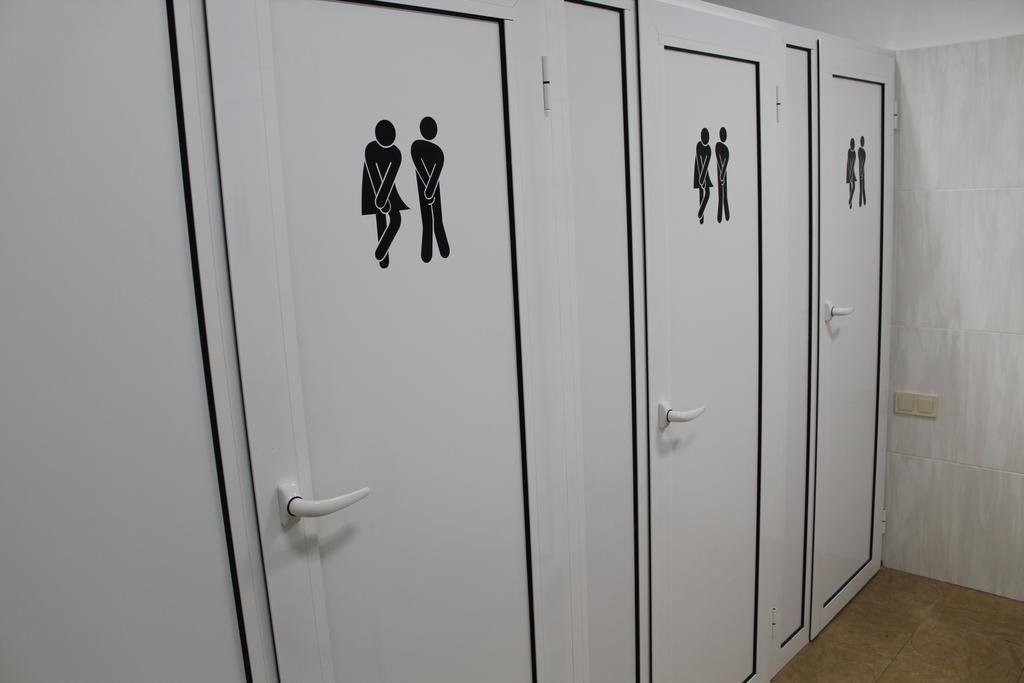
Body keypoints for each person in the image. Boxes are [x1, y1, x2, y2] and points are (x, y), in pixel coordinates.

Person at [362, 119, 408, 268]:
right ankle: (383, 258)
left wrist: (384, 198)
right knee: (380, 218)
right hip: (373, 185)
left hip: (388, 187)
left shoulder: (396, 153)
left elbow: (391, 176)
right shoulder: (370, 149)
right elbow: (373, 174)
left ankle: (381, 252)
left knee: (396, 218)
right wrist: (380, 200)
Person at [411, 116, 450, 263]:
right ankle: (434, 253)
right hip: (429, 188)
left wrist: (429, 190)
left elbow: (429, 170)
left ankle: (437, 252)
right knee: (432, 221)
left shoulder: (418, 147)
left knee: (432, 220)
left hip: (428, 188)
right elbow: (422, 168)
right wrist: (430, 190)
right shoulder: (434, 151)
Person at [693, 128, 713, 224]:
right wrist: (700, 178)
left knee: (707, 192)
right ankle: (701, 219)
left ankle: (700, 212)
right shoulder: (698, 145)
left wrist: (703, 178)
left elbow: (706, 163)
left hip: (705, 172)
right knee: (700, 192)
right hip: (698, 170)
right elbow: (699, 160)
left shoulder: (709, 149)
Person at [715, 127, 730, 223]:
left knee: (723, 194)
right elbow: (721, 160)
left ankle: (724, 216)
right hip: (721, 173)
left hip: (722, 173)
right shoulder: (719, 146)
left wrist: (722, 174)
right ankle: (722, 216)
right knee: (722, 194)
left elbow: (724, 162)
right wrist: (722, 174)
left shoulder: (722, 147)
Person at [846, 138, 857, 209]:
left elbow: (853, 163)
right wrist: (849, 175)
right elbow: (849, 162)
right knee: (851, 187)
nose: (853, 145)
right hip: (849, 170)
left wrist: (851, 174)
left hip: (852, 170)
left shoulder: (854, 152)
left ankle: (850, 200)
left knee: (853, 187)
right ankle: (850, 203)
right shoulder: (849, 151)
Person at [857, 136, 867, 207]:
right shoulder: (861, 151)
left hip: (861, 171)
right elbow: (861, 162)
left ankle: (862, 202)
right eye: (862, 141)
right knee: (862, 187)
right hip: (862, 171)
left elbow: (862, 162)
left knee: (862, 187)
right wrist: (861, 172)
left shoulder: (861, 150)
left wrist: (861, 172)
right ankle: (862, 202)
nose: (863, 143)